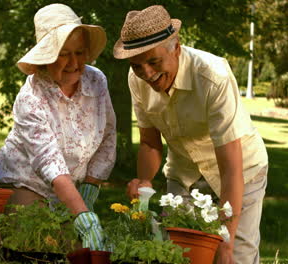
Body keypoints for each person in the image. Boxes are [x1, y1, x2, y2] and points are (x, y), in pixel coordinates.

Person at [113, 5, 268, 264]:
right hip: (184, 174)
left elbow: (231, 168)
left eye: (153, 61)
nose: (147, 74)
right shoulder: (136, 78)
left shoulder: (212, 76)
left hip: (241, 173)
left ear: (176, 47)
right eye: (137, 65)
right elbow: (150, 144)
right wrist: (145, 180)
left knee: (233, 258)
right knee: (175, 256)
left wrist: (225, 242)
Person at [0, 3, 116, 251]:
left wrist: (91, 186)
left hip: (70, 189)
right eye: (63, 53)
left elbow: (108, 135)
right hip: (26, 183)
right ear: (46, 58)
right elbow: (50, 164)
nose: (74, 62)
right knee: (40, 244)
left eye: (79, 52)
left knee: (83, 249)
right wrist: (82, 215)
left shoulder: (96, 80)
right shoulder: (31, 98)